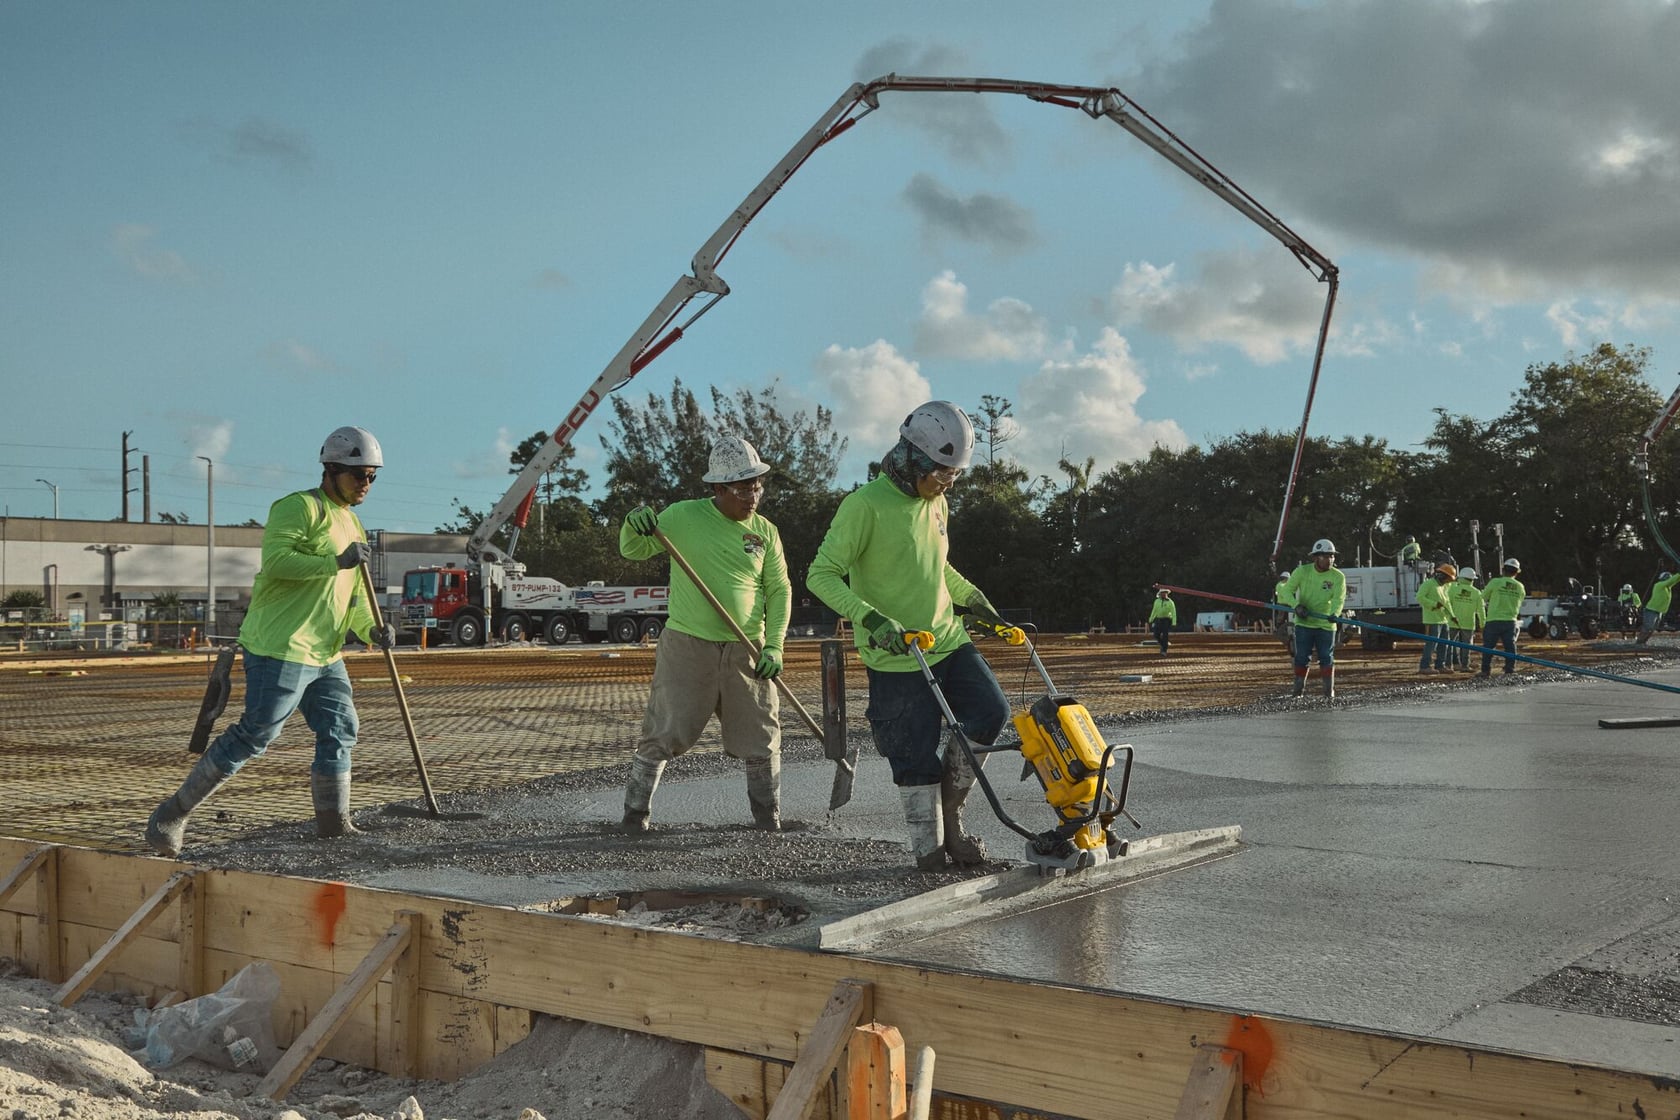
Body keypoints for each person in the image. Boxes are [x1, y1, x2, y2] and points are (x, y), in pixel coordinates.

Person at [145, 427, 396, 858]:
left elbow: (353, 596)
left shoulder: (352, 524)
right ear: (332, 470)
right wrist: (335, 560)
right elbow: (278, 562)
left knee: (340, 729)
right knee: (256, 734)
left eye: (372, 476)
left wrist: (371, 628)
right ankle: (170, 815)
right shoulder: (299, 508)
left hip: (325, 653)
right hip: (281, 646)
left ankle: (334, 826)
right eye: (359, 475)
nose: (366, 484)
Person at [808, 401, 1012, 870]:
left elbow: (939, 570)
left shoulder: (937, 502)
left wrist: (978, 601)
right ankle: (928, 852)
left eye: (955, 474)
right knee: (914, 754)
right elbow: (821, 576)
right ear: (912, 458)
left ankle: (953, 822)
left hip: (947, 639)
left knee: (990, 712)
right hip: (897, 656)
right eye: (942, 472)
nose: (949, 482)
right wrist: (873, 620)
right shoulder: (863, 507)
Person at [617, 435, 792, 832]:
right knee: (663, 731)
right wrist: (634, 522)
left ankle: (769, 819)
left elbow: (780, 591)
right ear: (717, 488)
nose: (752, 495)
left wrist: (775, 645)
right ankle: (634, 817)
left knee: (762, 735)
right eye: (743, 487)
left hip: (747, 648)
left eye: (757, 485)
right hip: (688, 646)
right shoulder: (682, 517)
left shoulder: (766, 532)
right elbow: (633, 549)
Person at [1282, 538, 1347, 699]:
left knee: (1326, 657)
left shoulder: (1338, 577)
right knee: (1302, 657)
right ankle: (1298, 692)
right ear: (1316, 557)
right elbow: (1286, 591)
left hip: (1326, 624)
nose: (1330, 560)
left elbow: (1339, 599)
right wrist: (1296, 606)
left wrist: (1335, 614)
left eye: (1332, 556)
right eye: (1326, 556)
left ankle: (1328, 693)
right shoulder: (1302, 572)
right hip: (1304, 623)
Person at [1479, 558, 1526, 676]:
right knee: (1510, 646)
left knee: (1488, 647)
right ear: (1516, 572)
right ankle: (1510, 669)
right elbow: (1520, 601)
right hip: (1510, 620)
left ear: (1503, 570)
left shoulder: (1495, 582)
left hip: (1493, 619)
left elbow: (1483, 597)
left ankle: (1485, 671)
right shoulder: (1520, 587)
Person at [1417, 563, 1454, 673]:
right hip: (1432, 620)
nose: (1449, 581)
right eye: (1448, 578)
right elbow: (1419, 597)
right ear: (1443, 576)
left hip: (1443, 620)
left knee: (1444, 644)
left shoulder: (1444, 587)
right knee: (1431, 644)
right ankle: (1425, 666)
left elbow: (1447, 603)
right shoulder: (1428, 584)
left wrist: (1452, 616)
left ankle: (1440, 665)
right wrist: (1434, 604)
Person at [1445, 567, 1484, 671]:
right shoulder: (1476, 592)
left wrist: (1447, 617)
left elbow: (1447, 605)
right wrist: (1482, 623)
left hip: (1452, 622)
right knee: (1466, 646)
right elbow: (1481, 610)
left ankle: (1449, 665)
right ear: (1472, 579)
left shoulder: (1452, 589)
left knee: (1449, 644)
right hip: (1468, 623)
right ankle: (1465, 666)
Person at [1636, 570, 1680, 645]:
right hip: (1651, 610)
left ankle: (1643, 642)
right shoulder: (1659, 585)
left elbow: (1674, 581)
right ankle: (1639, 642)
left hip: (1658, 611)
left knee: (1652, 629)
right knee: (1648, 627)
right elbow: (1671, 580)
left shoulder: (1667, 587)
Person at [1147, 589, 1177, 655]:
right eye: (1162, 593)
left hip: (1166, 620)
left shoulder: (1170, 602)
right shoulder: (1156, 601)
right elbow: (1154, 611)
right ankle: (1163, 644)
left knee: (1165, 635)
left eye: (1165, 593)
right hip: (1158, 619)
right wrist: (1150, 619)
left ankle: (1164, 650)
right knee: (1156, 634)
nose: (1163, 594)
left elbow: (1173, 613)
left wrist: (1174, 623)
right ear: (1160, 594)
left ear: (1167, 594)